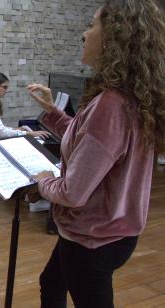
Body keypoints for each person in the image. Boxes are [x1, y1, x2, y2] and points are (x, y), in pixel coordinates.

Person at [28, 0, 165, 307]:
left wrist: (44, 182)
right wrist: (52, 111)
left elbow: (73, 193)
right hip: (114, 233)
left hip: (92, 240)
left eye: (91, 25)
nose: (84, 34)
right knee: (51, 282)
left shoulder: (110, 105)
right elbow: (91, 148)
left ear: (115, 37)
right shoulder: (129, 97)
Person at [0, 72, 50, 143]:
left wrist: (15, 129)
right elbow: (2, 133)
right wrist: (30, 133)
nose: (6, 90)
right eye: (4, 87)